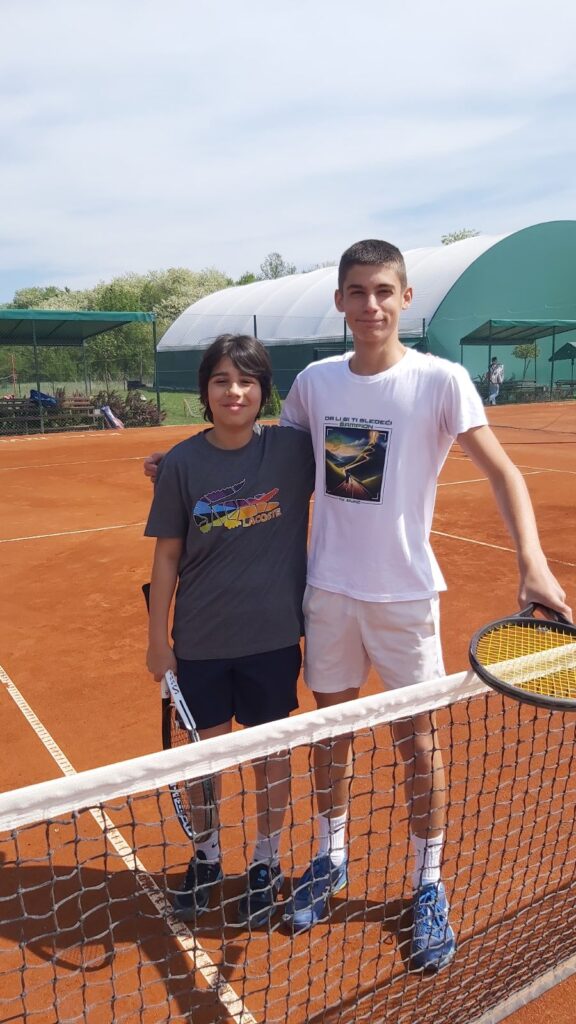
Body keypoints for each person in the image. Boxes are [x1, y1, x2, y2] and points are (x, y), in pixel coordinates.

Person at [144, 240, 570, 972]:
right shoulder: (315, 384)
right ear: (340, 302)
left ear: (405, 298)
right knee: (330, 734)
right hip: (329, 595)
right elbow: (259, 449)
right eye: (357, 292)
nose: (371, 305)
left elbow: (502, 471)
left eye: (383, 291)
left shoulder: (441, 381)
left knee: (418, 744)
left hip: (406, 597)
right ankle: (330, 855)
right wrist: (184, 463)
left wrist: (532, 562)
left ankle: (427, 883)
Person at [145, 333, 314, 927]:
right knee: (205, 760)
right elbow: (167, 555)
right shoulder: (182, 463)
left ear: (264, 390)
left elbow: (359, 452)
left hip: (273, 639)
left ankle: (266, 860)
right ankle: (208, 855)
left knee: (271, 755)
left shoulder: (295, 451)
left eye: (246, 380)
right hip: (201, 642)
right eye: (221, 380)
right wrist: (158, 639)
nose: (234, 391)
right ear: (205, 392)